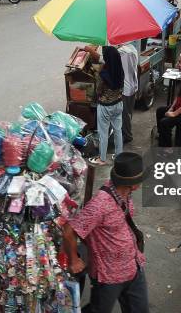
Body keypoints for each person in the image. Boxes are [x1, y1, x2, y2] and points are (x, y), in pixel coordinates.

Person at [63, 152, 148, 313]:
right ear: (133, 184)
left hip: (133, 266)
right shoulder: (99, 205)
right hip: (109, 275)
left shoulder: (125, 193)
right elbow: (69, 231)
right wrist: (74, 260)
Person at [84, 43, 138, 144]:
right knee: (127, 113)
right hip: (133, 85)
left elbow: (102, 60)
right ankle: (122, 132)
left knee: (124, 115)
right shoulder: (131, 48)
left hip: (125, 89)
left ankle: (126, 136)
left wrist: (91, 51)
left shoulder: (120, 53)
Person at [90, 46, 124, 165]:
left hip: (105, 106)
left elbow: (98, 91)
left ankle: (102, 158)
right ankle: (119, 155)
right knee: (118, 130)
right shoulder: (120, 70)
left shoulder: (103, 73)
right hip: (118, 103)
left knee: (103, 133)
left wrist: (98, 72)